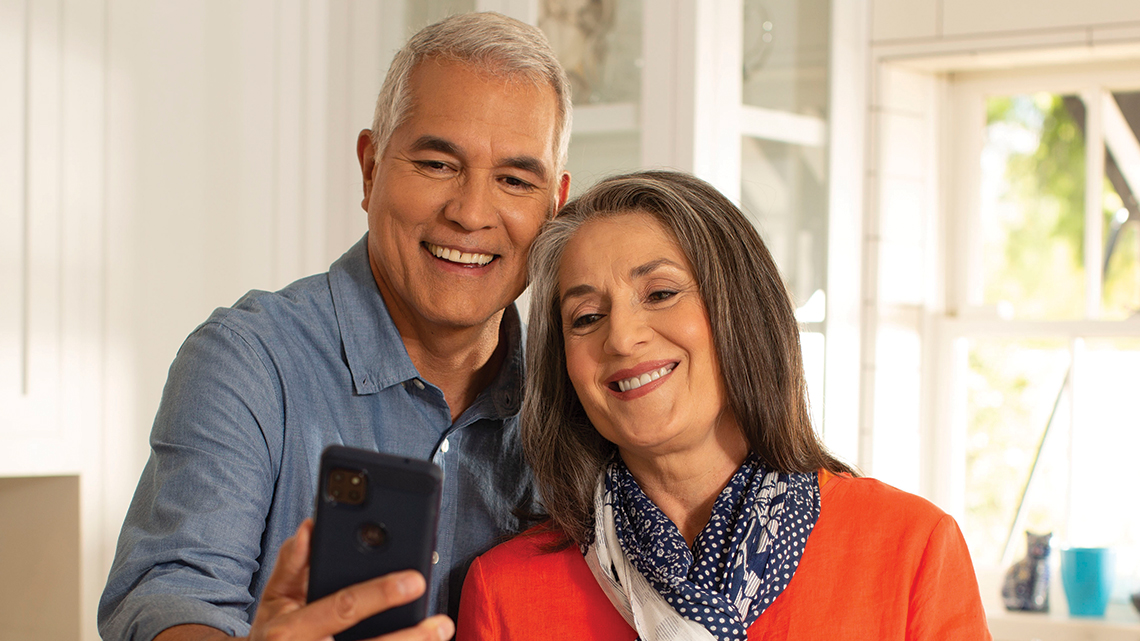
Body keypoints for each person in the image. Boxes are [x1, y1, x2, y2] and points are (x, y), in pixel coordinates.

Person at [98, 12, 571, 641]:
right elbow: (170, 595)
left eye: (514, 180)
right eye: (436, 164)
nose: (471, 213)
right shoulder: (247, 361)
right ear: (370, 167)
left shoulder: (574, 395)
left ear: (555, 206)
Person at [457, 171, 992, 640]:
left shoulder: (910, 551)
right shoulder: (505, 594)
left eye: (661, 293)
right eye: (587, 317)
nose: (620, 338)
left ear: (741, 312)